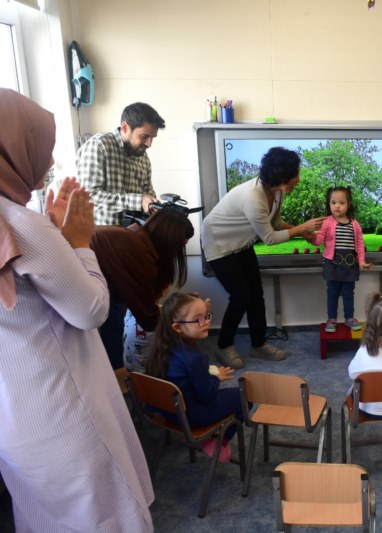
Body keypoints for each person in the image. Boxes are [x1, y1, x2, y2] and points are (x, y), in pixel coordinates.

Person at [0, 89, 153, 531]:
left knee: (42, 514)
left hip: (15, 415)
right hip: (63, 409)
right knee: (101, 514)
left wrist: (54, 234)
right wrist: (80, 243)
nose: (47, 164)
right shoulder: (19, 224)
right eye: (42, 150)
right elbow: (91, 310)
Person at [200, 147, 324, 369]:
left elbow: (275, 224)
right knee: (241, 296)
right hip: (218, 242)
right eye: (297, 173)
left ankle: (258, 345)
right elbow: (269, 238)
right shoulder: (253, 196)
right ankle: (224, 345)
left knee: (256, 294)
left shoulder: (277, 191)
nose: (299, 178)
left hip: (241, 243)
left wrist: (300, 231)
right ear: (284, 176)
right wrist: (302, 227)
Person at [144, 292, 243, 462]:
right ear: (178, 327)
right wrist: (215, 378)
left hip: (168, 414)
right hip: (192, 417)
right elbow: (208, 395)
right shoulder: (194, 359)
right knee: (244, 396)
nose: (206, 322)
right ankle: (217, 440)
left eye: (207, 316)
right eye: (199, 319)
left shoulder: (160, 349)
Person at [91, 207, 194, 369]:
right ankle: (118, 375)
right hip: (77, 287)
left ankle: (117, 372)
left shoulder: (134, 238)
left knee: (114, 327)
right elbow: (148, 316)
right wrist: (184, 327)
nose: (182, 248)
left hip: (100, 288)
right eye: (182, 243)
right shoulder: (136, 252)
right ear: (170, 239)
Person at [77, 102, 165, 225]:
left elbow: (148, 194)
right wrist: (138, 201)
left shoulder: (143, 156)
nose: (149, 144)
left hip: (133, 237)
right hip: (100, 239)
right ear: (125, 128)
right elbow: (89, 196)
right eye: (144, 136)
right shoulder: (98, 146)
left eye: (152, 138)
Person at [306, 186, 373, 333]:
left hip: (350, 265)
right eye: (333, 202)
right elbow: (319, 241)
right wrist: (311, 239)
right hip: (332, 264)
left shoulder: (355, 224)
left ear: (348, 204)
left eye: (341, 203)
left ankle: (349, 318)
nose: (337, 206)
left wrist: (361, 261)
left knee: (348, 293)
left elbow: (360, 245)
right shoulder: (327, 222)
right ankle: (331, 319)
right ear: (329, 204)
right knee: (333, 293)